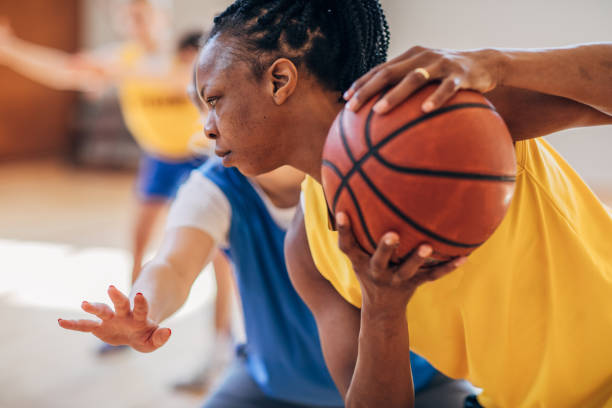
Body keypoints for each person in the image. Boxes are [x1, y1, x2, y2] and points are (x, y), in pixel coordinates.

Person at [189, 0, 612, 407]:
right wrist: (383, 307)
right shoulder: (307, 246)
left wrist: (498, 64)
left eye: (214, 99)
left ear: (279, 80)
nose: (208, 128)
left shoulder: (447, 111)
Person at [56, 67, 452, 406]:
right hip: (272, 386)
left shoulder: (368, 173)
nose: (206, 126)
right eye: (202, 105)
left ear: (281, 89)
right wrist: (146, 307)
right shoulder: (214, 186)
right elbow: (173, 265)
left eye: (217, 102)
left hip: (415, 385)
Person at [0, 2, 234, 355]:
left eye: (143, 13)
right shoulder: (122, 60)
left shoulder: (186, 54)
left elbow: (181, 79)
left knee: (217, 253)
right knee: (138, 244)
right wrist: (10, 49)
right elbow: (65, 71)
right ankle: (129, 324)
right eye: (129, 15)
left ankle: (222, 342)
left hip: (197, 158)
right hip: (159, 158)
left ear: (161, 17)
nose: (136, 22)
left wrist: (122, 73)